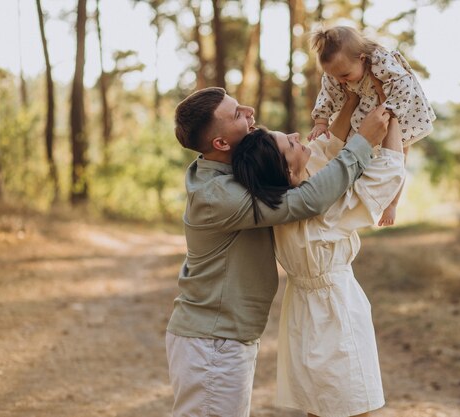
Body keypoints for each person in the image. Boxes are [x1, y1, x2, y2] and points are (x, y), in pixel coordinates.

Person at [165, 86, 390, 417]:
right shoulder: (219, 195)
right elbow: (306, 200)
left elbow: (310, 156)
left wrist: (349, 104)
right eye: (236, 113)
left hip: (222, 337)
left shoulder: (233, 173)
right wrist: (362, 143)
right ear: (221, 143)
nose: (248, 109)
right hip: (213, 340)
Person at [232, 86, 405, 417]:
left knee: (320, 404)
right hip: (334, 309)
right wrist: (391, 113)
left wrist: (351, 102)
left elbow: (325, 150)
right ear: (288, 170)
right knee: (352, 406)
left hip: (302, 310)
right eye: (292, 143)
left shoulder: (280, 200)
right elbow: (387, 177)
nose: (300, 137)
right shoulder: (321, 211)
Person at [307, 25, 436, 227]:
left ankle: (392, 203)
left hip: (398, 109)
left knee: (398, 156)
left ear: (362, 58)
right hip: (365, 113)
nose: (340, 81)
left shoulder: (381, 60)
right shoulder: (337, 72)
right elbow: (327, 95)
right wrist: (321, 121)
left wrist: (391, 109)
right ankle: (356, 194)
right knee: (353, 150)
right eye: (335, 76)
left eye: (345, 76)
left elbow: (404, 83)